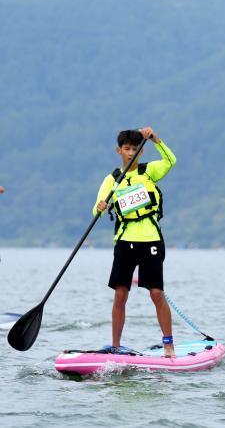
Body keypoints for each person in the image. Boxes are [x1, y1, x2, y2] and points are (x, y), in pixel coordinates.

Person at [94, 128, 176, 356]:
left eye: (135, 149)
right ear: (119, 151)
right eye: (127, 149)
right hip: (124, 240)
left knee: (156, 293)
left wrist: (157, 140)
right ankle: (116, 346)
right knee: (120, 294)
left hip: (150, 238)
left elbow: (170, 161)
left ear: (141, 150)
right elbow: (97, 209)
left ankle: (168, 345)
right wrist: (101, 207)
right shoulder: (112, 180)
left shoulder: (149, 171)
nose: (131, 153)